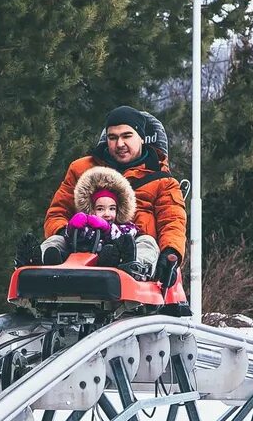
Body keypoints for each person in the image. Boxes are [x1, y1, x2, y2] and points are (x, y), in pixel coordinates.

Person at [40, 105, 186, 288]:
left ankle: (136, 269)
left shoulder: (162, 181)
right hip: (82, 245)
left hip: (132, 245)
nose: (119, 144)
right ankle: (42, 264)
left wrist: (170, 254)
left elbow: (172, 222)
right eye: (113, 137)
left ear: (141, 137)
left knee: (147, 244)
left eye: (127, 136)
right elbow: (57, 212)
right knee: (55, 241)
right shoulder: (81, 170)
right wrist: (68, 233)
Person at [38, 165, 158, 280]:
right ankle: (41, 259)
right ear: (92, 209)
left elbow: (125, 235)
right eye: (100, 209)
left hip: (118, 260)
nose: (106, 213)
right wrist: (72, 228)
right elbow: (71, 239)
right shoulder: (88, 229)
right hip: (82, 260)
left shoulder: (125, 228)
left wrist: (107, 228)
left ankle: (136, 266)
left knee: (147, 241)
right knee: (57, 240)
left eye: (112, 209)